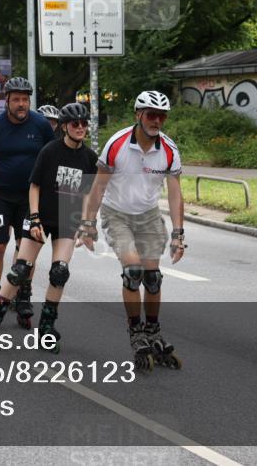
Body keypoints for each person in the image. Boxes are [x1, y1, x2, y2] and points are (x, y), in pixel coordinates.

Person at [77, 90, 185, 371]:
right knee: (133, 271)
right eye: (151, 115)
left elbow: (175, 195)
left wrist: (179, 233)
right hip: (117, 214)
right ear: (139, 115)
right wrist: (88, 225)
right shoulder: (117, 144)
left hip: (148, 216)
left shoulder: (169, 150)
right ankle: (136, 331)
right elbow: (98, 187)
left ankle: (153, 330)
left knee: (153, 278)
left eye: (162, 116)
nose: (157, 121)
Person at [0, 103, 96, 351]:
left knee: (59, 272)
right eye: (76, 124)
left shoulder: (89, 157)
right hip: (40, 215)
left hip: (66, 217)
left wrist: (86, 223)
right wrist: (34, 218)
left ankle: (46, 328)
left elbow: (88, 194)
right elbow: (34, 186)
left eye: (84, 124)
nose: (80, 128)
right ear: (64, 126)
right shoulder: (50, 151)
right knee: (20, 270)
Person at [0, 77, 55, 323]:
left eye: (25, 100)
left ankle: (23, 298)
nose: (21, 104)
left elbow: (51, 155)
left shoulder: (40, 125)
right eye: (16, 99)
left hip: (29, 198)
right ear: (6, 101)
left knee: (26, 249)